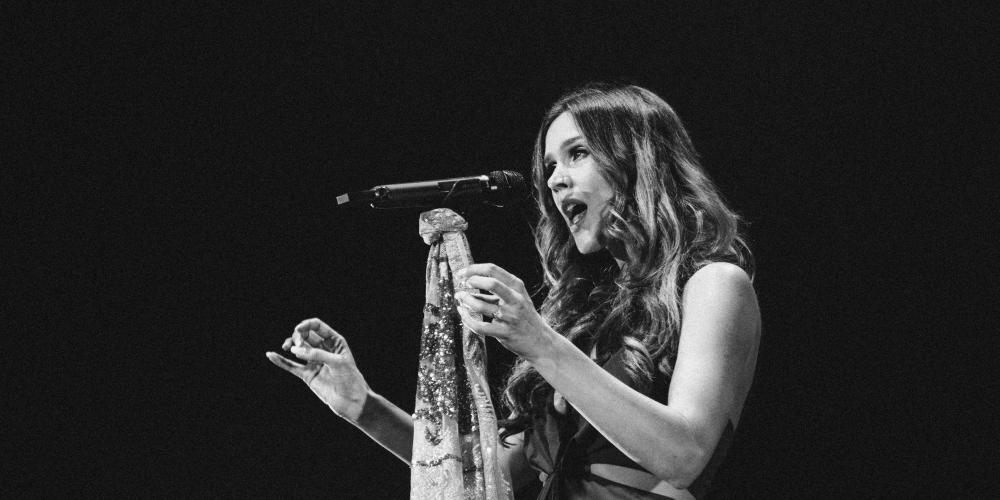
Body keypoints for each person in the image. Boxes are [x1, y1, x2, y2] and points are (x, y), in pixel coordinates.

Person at [266, 83, 760, 499]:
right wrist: (363, 405)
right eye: (549, 166)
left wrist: (538, 339)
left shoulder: (714, 284)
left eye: (578, 154)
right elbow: (495, 473)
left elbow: (684, 455)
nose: (555, 180)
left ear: (639, 161)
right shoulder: (585, 313)